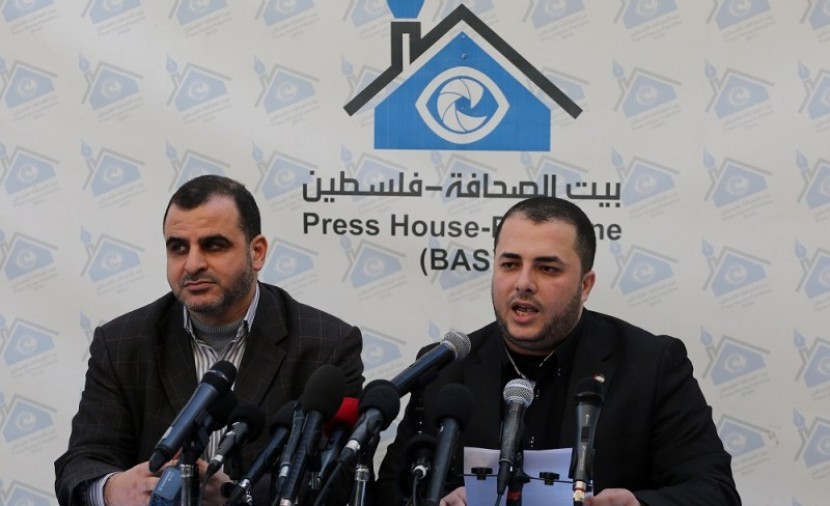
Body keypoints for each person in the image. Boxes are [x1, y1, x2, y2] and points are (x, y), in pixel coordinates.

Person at [374, 196, 741, 506]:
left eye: (547, 268)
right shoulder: (446, 369)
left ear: (585, 285)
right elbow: (391, 491)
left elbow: (715, 491)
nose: (523, 283)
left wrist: (638, 505)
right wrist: (436, 502)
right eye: (510, 264)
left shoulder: (651, 366)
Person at [54, 175, 364, 506]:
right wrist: (111, 489)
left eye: (213, 246)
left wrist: (235, 495)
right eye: (178, 248)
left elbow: (335, 479)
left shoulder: (327, 346)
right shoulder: (121, 343)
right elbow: (82, 462)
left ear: (257, 252)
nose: (192, 264)